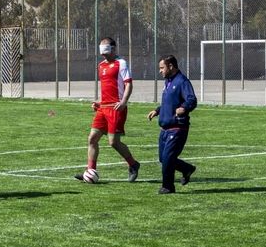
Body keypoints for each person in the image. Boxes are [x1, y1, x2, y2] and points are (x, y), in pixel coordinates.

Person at [74, 37, 140, 183]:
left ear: (114, 49)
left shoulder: (121, 63)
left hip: (116, 108)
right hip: (103, 108)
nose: (103, 54)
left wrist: (123, 102)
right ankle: (90, 171)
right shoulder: (101, 65)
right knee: (92, 138)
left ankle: (133, 165)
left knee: (113, 142)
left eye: (106, 50)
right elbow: (106, 88)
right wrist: (99, 102)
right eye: (101, 51)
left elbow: (128, 84)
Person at [147, 55, 198, 194]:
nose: (160, 71)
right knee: (163, 159)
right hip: (165, 127)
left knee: (168, 158)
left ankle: (168, 186)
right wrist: (157, 110)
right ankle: (186, 169)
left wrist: (184, 108)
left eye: (162, 68)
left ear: (171, 66)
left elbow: (192, 100)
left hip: (177, 127)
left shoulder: (182, 81)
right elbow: (168, 102)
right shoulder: (168, 82)